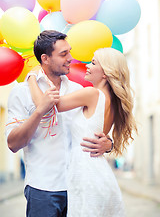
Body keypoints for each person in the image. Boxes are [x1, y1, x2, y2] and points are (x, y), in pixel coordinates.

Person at [5, 30, 113, 217]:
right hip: (42, 189)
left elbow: (93, 128)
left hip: (78, 187)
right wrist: (39, 111)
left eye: (69, 52)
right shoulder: (21, 93)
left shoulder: (77, 90)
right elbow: (13, 144)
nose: (71, 58)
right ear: (45, 58)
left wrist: (109, 144)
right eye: (64, 54)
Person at [28, 47, 137, 216]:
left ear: (105, 73)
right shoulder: (113, 102)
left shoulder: (92, 94)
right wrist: (109, 145)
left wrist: (32, 78)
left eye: (93, 63)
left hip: (87, 175)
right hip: (98, 172)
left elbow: (47, 105)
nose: (87, 65)